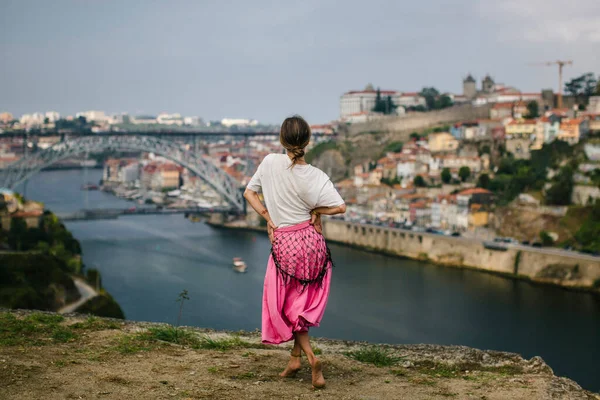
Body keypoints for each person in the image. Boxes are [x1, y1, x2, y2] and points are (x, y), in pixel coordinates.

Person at [244, 115, 346, 389]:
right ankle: (294, 359)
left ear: (282, 140)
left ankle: (312, 359)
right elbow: (340, 207)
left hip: (286, 243)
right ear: (308, 141)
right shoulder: (316, 175)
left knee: (289, 305)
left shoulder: (269, 162)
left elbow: (249, 193)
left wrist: (268, 217)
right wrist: (316, 210)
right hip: (312, 242)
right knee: (299, 303)